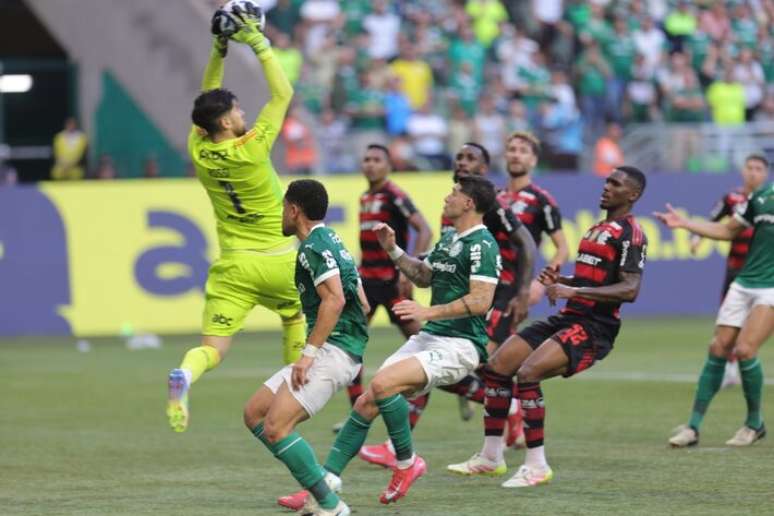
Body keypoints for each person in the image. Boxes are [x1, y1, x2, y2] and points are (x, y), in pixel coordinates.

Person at [280, 175, 503, 507]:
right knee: (367, 401)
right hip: (432, 337)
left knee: (384, 385)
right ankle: (322, 487)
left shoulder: (482, 245)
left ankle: (407, 462)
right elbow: (424, 275)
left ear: (469, 203)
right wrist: (393, 250)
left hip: (461, 344)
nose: (448, 197)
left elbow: (482, 300)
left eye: (454, 193)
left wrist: (428, 311)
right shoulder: (449, 237)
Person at [448, 167, 648, 488]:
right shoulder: (597, 229)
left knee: (528, 373)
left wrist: (574, 291)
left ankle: (537, 466)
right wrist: (562, 280)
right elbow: (591, 280)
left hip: (595, 327)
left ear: (633, 194)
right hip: (569, 317)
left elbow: (630, 289)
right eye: (607, 181)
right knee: (497, 367)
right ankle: (490, 456)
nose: (607, 187)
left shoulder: (631, 234)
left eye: (615, 184)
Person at [166, 5, 306, 433]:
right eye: (239, 111)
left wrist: (219, 48)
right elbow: (282, 94)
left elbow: (207, 97)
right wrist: (258, 44)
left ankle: (184, 375)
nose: (245, 114)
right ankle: (290, 395)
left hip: (233, 267)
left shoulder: (199, 147)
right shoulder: (252, 148)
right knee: (295, 317)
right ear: (227, 122)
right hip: (279, 260)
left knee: (213, 348)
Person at [356, 142, 536, 469]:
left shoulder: (490, 207)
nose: (462, 162)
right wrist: (408, 260)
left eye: (471, 158)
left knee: (471, 368)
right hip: (453, 304)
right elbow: (444, 255)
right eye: (459, 157)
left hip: (491, 298)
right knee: (434, 366)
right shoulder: (452, 210)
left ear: (483, 169)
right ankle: (499, 428)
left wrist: (523, 291)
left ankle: (504, 424)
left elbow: (525, 242)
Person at [243, 179, 368, 516]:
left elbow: (335, 300)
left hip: (332, 351)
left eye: (284, 207)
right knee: (254, 413)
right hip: (339, 346)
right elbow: (362, 301)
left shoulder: (312, 246)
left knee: (275, 427)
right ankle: (318, 484)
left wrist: (309, 355)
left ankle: (329, 504)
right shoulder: (332, 240)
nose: (281, 214)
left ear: (294, 210)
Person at [658, 168, 773, 448]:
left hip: (770, 287)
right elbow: (727, 230)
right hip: (744, 281)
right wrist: (685, 224)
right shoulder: (762, 197)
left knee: (745, 350)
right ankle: (693, 427)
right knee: (718, 348)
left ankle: (754, 423)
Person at [328, 144, 432, 434]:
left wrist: (411, 269)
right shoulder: (365, 197)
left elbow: (424, 229)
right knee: (350, 345)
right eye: (367, 159)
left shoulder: (394, 194)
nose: (370, 164)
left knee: (426, 345)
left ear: (388, 165)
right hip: (368, 283)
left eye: (377, 160)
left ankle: (466, 387)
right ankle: (356, 414)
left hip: (393, 283)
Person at [689, 155, 770, 387]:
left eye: (758, 168)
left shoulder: (768, 199)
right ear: (743, 171)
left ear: (765, 173)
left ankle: (741, 362)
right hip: (736, 269)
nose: (753, 172)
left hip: (764, 271)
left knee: (757, 321)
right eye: (749, 167)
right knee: (730, 320)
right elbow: (713, 220)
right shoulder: (732, 198)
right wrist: (697, 236)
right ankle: (730, 367)